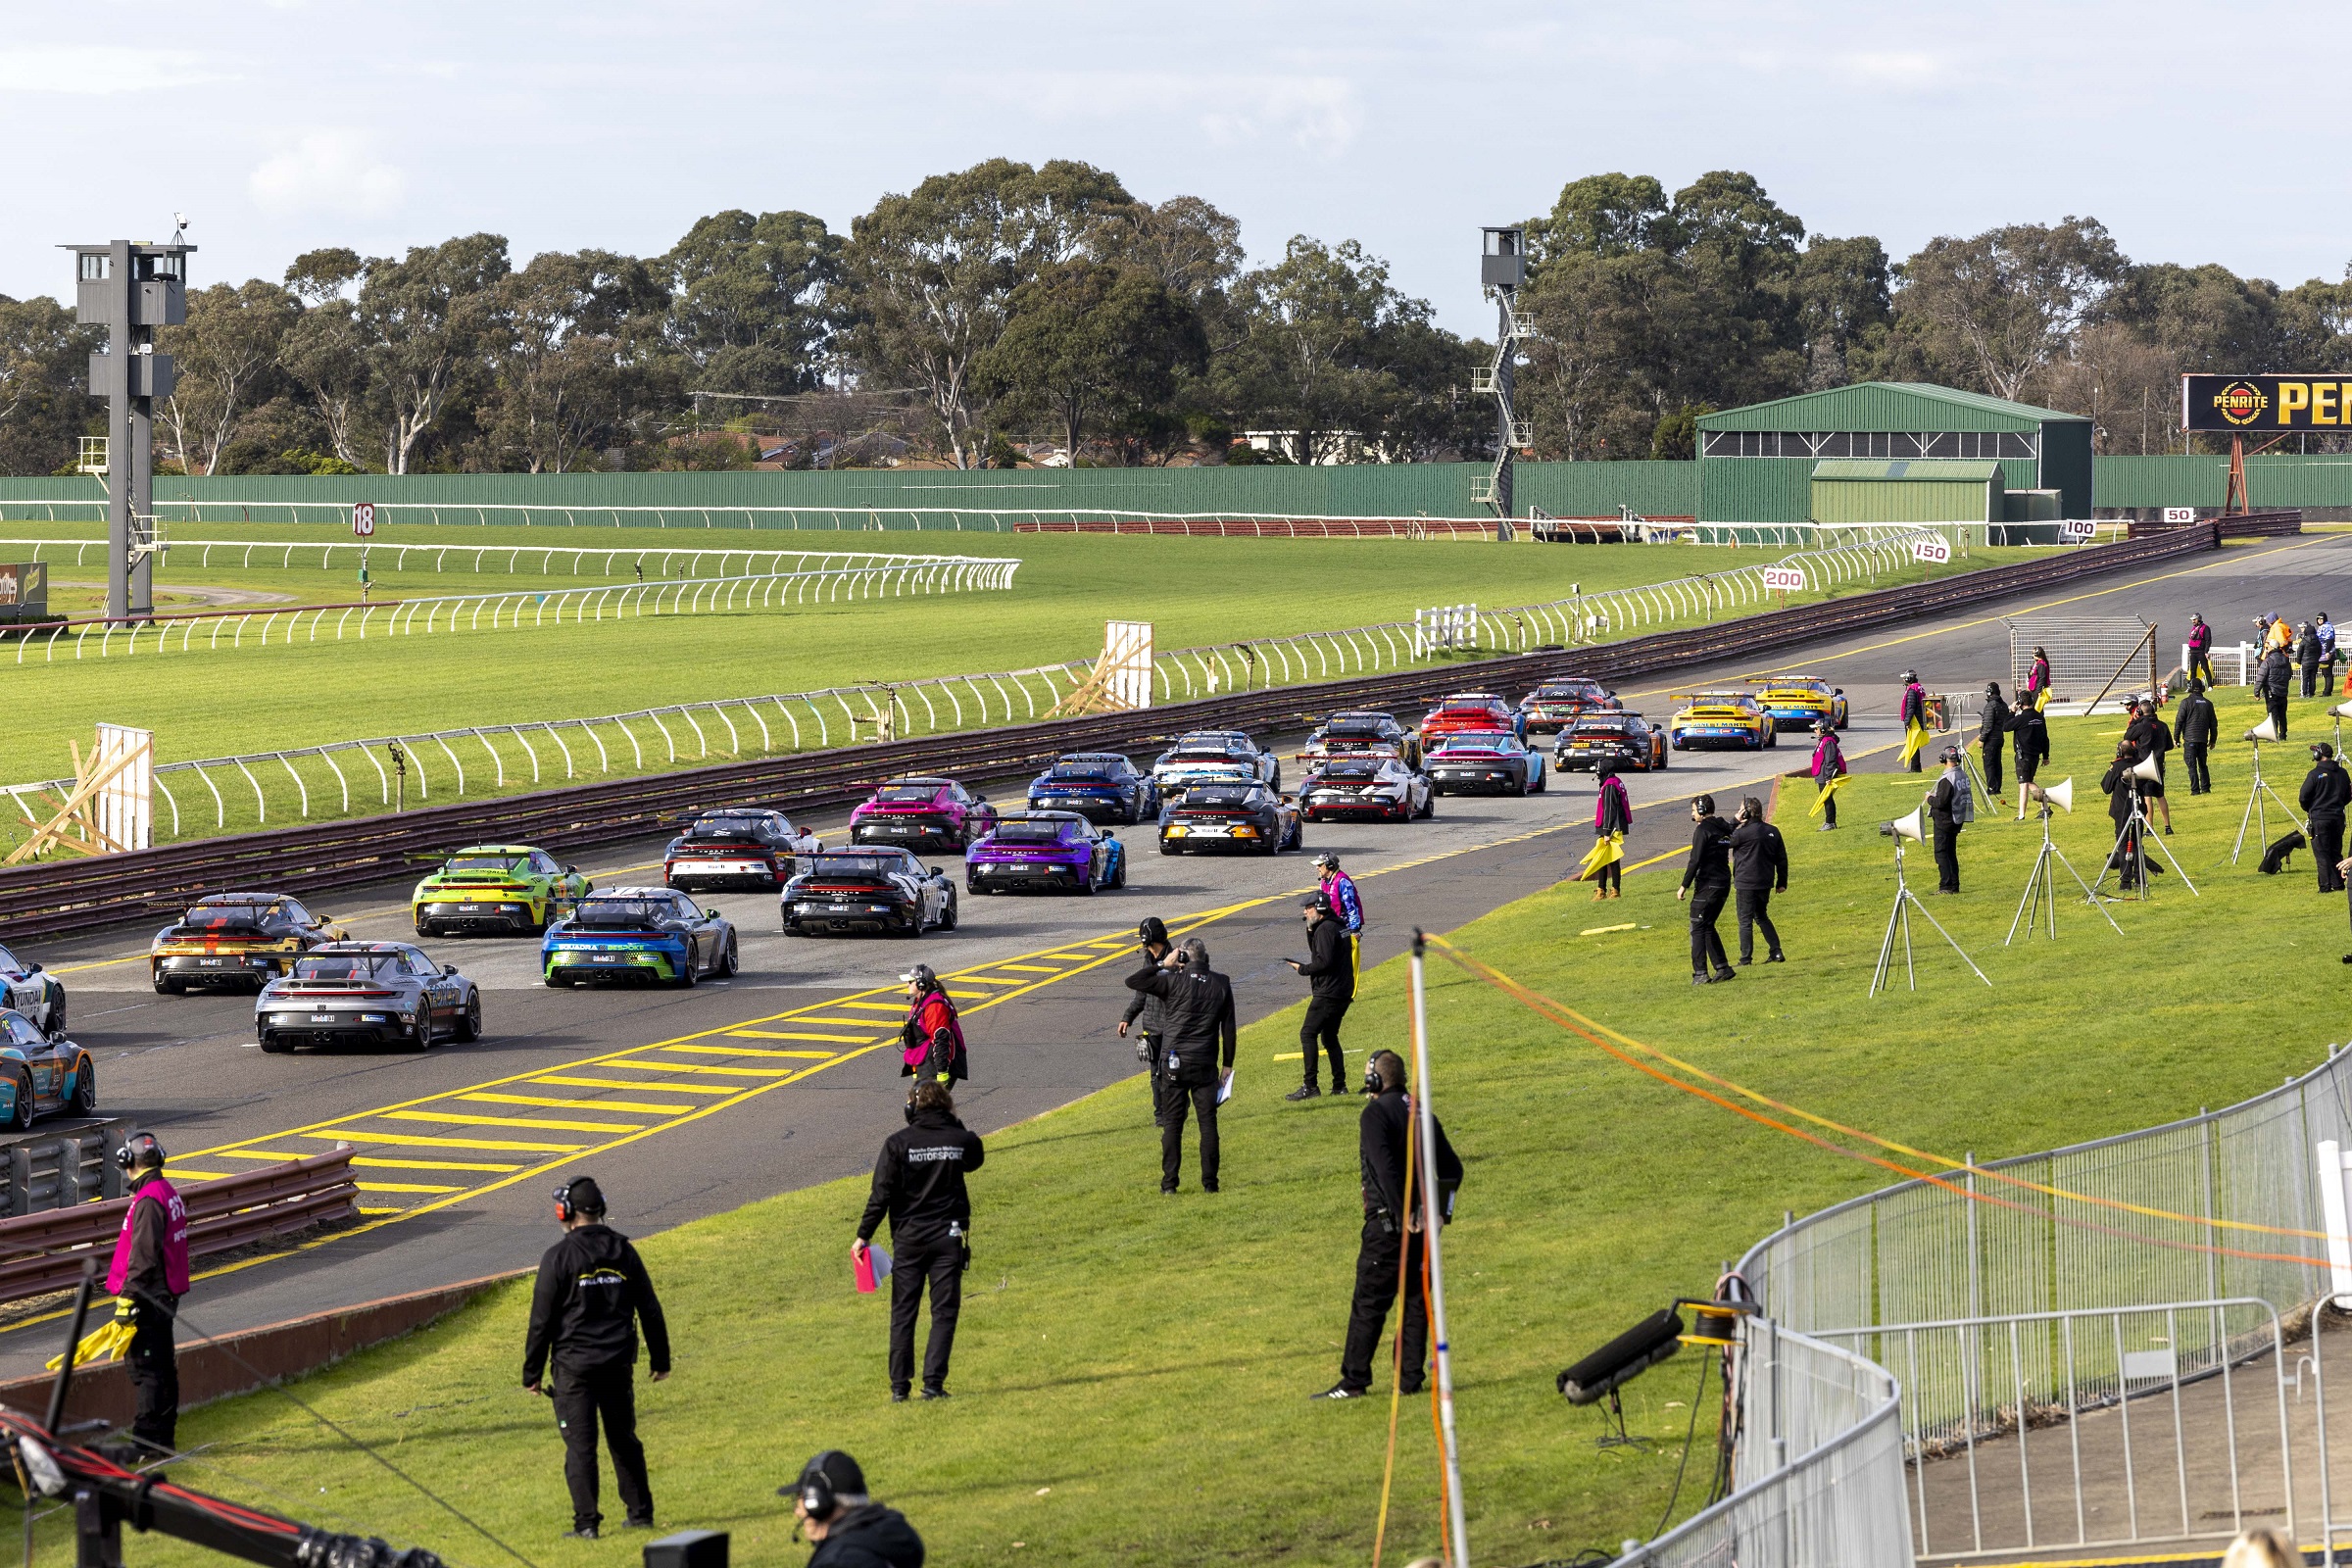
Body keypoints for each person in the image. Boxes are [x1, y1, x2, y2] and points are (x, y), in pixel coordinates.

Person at [522, 1176, 670, 1540]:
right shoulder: (624, 1251)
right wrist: (660, 1360)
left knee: (580, 1448)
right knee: (624, 1439)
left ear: (566, 1212)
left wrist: (532, 1373)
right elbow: (649, 1309)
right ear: (600, 1209)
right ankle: (641, 1515)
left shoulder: (557, 1258)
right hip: (618, 1363)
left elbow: (541, 1321)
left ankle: (586, 1525)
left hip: (574, 1370)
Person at [1315, 1050, 1461, 1401]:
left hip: (1387, 1230)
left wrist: (1406, 1214)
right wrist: (1441, 1213)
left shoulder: (1374, 1115)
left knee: (1368, 1305)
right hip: (1424, 1231)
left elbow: (1386, 1171)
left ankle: (1354, 1381)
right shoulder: (1422, 1112)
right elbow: (1453, 1170)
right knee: (1415, 1304)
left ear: (1375, 1081)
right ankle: (1409, 1379)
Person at [855, 1080, 985, 1401]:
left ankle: (900, 1389)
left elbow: (880, 1195)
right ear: (947, 1108)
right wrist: (953, 1121)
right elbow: (975, 1156)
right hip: (947, 1237)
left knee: (903, 1312)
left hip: (909, 1239)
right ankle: (933, 1385)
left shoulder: (897, 1143)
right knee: (944, 1311)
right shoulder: (958, 1138)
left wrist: (863, 1236)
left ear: (910, 1110)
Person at [1124, 936, 1237, 1193]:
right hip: (1204, 1063)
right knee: (1208, 1123)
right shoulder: (1221, 983)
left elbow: (1134, 981)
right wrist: (1227, 1065)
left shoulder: (1172, 980)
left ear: (1183, 958)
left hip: (1174, 1063)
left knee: (1173, 1125)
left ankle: (1169, 1185)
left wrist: (1164, 963)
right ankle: (1210, 1184)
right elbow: (1228, 1029)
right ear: (1206, 957)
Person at [103, 1133, 187, 1463]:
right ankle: (163, 1439)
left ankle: (146, 1442)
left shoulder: (150, 1200)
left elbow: (143, 1255)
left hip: (149, 1297)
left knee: (147, 1371)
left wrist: (128, 1297)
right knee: (163, 1368)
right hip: (163, 1294)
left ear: (127, 1163)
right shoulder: (166, 1192)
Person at [782, 1451, 925, 1568]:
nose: (797, 1512)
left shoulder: (839, 1561)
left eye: (800, 1501)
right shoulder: (891, 1534)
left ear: (818, 1503)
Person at [1284, 893, 1352, 1101]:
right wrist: (1310, 928)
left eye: (1309, 908)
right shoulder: (1338, 925)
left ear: (1320, 909)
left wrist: (1302, 969)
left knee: (1307, 1033)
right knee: (1330, 1037)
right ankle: (1339, 1085)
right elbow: (1319, 950)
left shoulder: (1325, 930)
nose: (1305, 911)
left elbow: (1322, 961)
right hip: (1343, 990)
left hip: (1328, 992)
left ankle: (1310, 1086)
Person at [1675, 794, 1736, 984]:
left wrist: (1684, 885)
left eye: (1693, 810)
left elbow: (1695, 860)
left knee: (1697, 926)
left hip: (1708, 884)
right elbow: (1731, 828)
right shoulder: (1722, 827)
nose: (1692, 814)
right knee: (1707, 924)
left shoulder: (1703, 831)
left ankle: (1700, 973)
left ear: (1701, 810)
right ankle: (1723, 968)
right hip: (1723, 883)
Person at [1727, 797, 1788, 965]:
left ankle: (1745, 958)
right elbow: (1781, 858)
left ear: (1746, 812)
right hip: (1765, 882)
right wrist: (1782, 882)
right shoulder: (1773, 831)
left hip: (1746, 883)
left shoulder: (1741, 833)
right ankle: (1776, 951)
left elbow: (1720, 841)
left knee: (1745, 920)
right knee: (1761, 916)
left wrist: (1733, 821)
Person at [1118, 916, 1173, 1102]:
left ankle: (1176, 1113)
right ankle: (1160, 1116)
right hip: (1151, 1026)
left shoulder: (1175, 961)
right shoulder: (1148, 961)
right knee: (1155, 1075)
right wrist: (1127, 1017)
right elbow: (1141, 995)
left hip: (1172, 1028)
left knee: (1173, 1073)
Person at [897, 966, 965, 1086]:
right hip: (925, 1063)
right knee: (917, 1104)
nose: (907, 985)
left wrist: (942, 1072)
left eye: (910, 982)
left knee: (924, 1104)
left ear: (921, 984)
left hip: (935, 1067)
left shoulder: (934, 1007)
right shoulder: (921, 1001)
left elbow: (941, 1039)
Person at [2100, 739, 2150, 891]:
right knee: (2136, 843)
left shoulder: (2116, 766)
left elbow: (2106, 787)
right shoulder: (2141, 765)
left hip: (2121, 810)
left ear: (2120, 751)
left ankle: (2125, 882)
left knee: (2123, 845)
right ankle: (2140, 878)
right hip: (2138, 808)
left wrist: (2113, 769)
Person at [2303, 742, 2352, 896]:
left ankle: (2325, 886)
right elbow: (2348, 795)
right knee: (2336, 851)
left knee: (2322, 852)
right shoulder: (2343, 773)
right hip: (2338, 817)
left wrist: (2311, 809)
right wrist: (2338, 805)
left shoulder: (2314, 774)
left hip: (2320, 818)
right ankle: (2338, 883)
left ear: (2318, 755)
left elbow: (2303, 797)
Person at [1313, 852, 1365, 990]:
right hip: (1330, 927)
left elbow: (1352, 907)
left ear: (1329, 865)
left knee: (1340, 961)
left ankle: (1344, 990)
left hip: (1344, 929)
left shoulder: (1343, 882)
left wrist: (1355, 930)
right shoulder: (1324, 882)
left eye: (1320, 865)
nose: (1317, 868)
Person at [1926, 744, 1973, 894]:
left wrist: (1929, 799)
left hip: (1944, 820)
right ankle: (1954, 885)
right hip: (1957, 819)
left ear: (1943, 759)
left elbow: (1941, 802)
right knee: (1951, 853)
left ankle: (1945, 886)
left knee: (1941, 853)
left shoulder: (1948, 778)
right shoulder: (1962, 774)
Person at [2124, 698, 2175, 834]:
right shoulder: (2163, 725)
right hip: (2158, 764)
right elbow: (2169, 746)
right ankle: (2167, 826)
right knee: (2160, 795)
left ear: (2140, 711)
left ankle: (2150, 827)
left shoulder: (2141, 726)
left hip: (2145, 764)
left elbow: (2127, 736)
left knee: (2147, 796)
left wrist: (2134, 721)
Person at [1592, 759, 1632, 891]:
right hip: (1614, 825)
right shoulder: (1615, 781)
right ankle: (1605, 888)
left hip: (1611, 826)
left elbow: (1609, 810)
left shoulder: (1609, 786)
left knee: (1610, 859)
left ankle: (1610, 889)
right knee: (1606, 858)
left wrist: (1606, 832)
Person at [2177, 678, 2218, 795]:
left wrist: (2176, 738)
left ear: (2190, 688)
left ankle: (2195, 790)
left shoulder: (2185, 702)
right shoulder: (2208, 703)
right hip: (2203, 739)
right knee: (2203, 764)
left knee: (2192, 766)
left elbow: (2179, 721)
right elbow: (2213, 724)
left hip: (2190, 739)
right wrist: (2213, 740)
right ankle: (2206, 788)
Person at [2007, 700, 2050, 807]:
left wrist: (2012, 712)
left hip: (2023, 756)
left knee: (2023, 784)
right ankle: (2044, 807)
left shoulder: (2021, 718)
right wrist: (2045, 756)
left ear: (2020, 704)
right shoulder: (2039, 717)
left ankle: (2022, 814)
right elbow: (2045, 738)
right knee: (2029, 782)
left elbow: (2006, 727)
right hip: (2035, 755)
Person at [1806, 718, 1845, 830]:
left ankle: (1830, 822)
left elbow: (1830, 760)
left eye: (1816, 729)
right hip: (1822, 774)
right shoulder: (1825, 740)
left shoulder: (1828, 742)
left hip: (1825, 775)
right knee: (1826, 799)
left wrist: (1828, 777)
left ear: (1822, 729)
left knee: (1827, 799)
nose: (1815, 731)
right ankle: (1829, 822)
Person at [1978, 681, 2013, 799]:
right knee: (1997, 763)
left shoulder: (1990, 706)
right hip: (1999, 738)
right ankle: (1997, 787)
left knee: (1989, 764)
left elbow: (1987, 725)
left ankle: (1992, 787)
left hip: (1991, 739)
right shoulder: (2003, 705)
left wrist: (1981, 739)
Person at [2258, 640, 2293, 737]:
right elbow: (2290, 675)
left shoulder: (2268, 660)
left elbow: (2261, 677)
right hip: (2283, 690)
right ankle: (2283, 734)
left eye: (2268, 646)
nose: (2267, 648)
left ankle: (2273, 734)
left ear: (2272, 648)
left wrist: (2257, 692)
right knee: (2282, 714)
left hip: (2271, 691)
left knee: (2272, 715)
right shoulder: (2285, 659)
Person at [1898, 670, 1929, 771]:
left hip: (1914, 720)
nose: (1903, 680)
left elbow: (1911, 707)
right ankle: (1916, 767)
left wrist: (1907, 722)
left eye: (1904, 678)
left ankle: (1915, 768)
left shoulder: (1912, 690)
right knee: (1914, 744)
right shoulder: (1919, 688)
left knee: (1913, 744)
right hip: (1919, 719)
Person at [2185, 612, 2215, 688]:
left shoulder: (2205, 628)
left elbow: (2208, 640)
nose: (2193, 621)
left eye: (2194, 620)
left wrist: (2206, 651)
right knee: (2193, 670)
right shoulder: (2194, 628)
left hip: (2201, 651)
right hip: (2193, 651)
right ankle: (2191, 687)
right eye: (2192, 620)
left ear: (2198, 619)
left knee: (2205, 668)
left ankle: (2210, 686)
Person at [2301, 619, 2326, 698]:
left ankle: (2304, 693)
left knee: (2305, 678)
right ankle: (2311, 692)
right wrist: (2316, 658)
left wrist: (2299, 661)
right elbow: (2320, 651)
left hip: (2305, 662)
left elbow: (2299, 652)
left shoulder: (2304, 641)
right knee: (2312, 677)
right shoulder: (2317, 641)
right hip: (2314, 662)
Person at [2024, 645, 2053, 710]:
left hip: (2036, 689)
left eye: (2033, 653)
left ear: (2037, 654)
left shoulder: (2041, 665)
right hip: (2033, 688)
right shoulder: (2037, 663)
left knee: (2037, 708)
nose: (2032, 655)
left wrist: (2039, 690)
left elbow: (2042, 677)